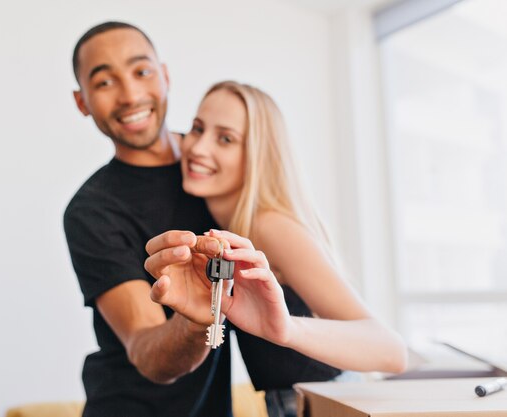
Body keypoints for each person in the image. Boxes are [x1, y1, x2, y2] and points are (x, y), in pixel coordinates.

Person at [144, 81, 408, 417]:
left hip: (324, 403)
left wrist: (285, 327)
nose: (198, 147)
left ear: (257, 154)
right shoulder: (229, 224)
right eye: (197, 129)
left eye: (225, 138)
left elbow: (391, 350)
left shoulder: (269, 226)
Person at [63, 23, 232, 417]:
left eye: (142, 72)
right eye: (104, 82)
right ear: (82, 102)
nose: (131, 95)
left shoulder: (215, 166)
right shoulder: (91, 211)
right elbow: (145, 350)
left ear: (166, 75)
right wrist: (195, 320)